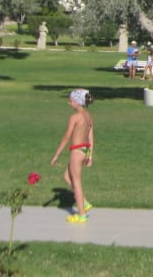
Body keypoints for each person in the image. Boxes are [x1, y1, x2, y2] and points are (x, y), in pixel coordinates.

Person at [50, 88, 94, 223]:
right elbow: (91, 136)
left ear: (77, 102)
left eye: (71, 101)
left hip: (76, 151)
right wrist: (90, 155)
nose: (69, 103)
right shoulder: (88, 116)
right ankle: (84, 202)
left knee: (76, 182)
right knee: (66, 176)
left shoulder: (75, 117)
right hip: (84, 150)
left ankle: (81, 214)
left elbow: (66, 137)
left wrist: (56, 155)